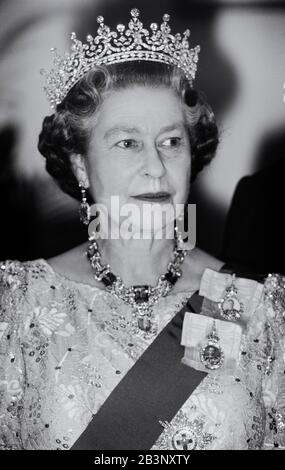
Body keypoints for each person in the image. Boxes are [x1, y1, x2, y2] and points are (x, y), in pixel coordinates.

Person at [0, 9, 284, 450]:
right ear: (80, 164)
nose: (156, 167)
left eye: (171, 142)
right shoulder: (16, 304)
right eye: (127, 142)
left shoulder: (258, 303)